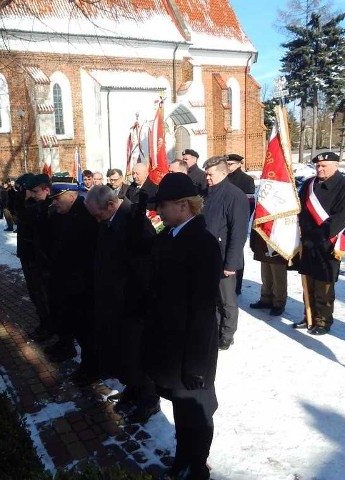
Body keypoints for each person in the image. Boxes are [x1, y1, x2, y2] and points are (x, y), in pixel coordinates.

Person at [141, 173, 222, 480]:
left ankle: (198, 466)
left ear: (184, 206)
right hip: (169, 343)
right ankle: (182, 457)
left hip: (192, 347)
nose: (158, 210)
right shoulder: (167, 237)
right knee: (180, 408)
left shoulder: (202, 243)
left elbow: (203, 309)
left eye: (163, 205)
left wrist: (197, 364)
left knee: (197, 410)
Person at [85, 185, 159, 423]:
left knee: (137, 353)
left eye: (98, 214)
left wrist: (136, 298)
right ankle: (133, 388)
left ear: (110, 205)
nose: (96, 220)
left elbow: (145, 266)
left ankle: (149, 399)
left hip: (132, 302)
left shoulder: (134, 220)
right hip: (115, 301)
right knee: (124, 353)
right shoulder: (110, 220)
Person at [293, 151, 345, 335]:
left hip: (328, 242)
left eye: (324, 166)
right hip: (307, 241)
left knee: (324, 284)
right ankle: (309, 316)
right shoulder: (309, 184)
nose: (319, 169)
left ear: (336, 166)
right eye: (317, 166)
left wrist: (316, 237)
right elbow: (301, 209)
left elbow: (341, 217)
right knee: (309, 282)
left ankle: (322, 320)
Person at [46, 176, 100, 384]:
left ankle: (91, 369)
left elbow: (86, 255)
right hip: (72, 285)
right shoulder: (68, 214)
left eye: (57, 198)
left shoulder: (84, 216)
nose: (54, 202)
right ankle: (87, 366)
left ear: (70, 195)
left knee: (87, 332)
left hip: (83, 287)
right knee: (80, 329)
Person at [202, 156, 250, 350]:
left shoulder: (234, 195)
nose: (207, 178)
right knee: (213, 297)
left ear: (223, 173)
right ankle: (216, 329)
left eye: (210, 174)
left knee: (227, 299)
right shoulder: (209, 193)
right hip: (209, 255)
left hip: (224, 257)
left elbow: (238, 232)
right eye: (206, 174)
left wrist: (231, 263)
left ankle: (227, 335)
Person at [16, 173, 54, 342]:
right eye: (29, 190)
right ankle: (44, 325)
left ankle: (49, 327)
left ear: (46, 190)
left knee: (43, 296)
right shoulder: (33, 205)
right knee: (36, 294)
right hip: (29, 256)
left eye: (34, 191)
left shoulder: (47, 206)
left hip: (40, 259)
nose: (31, 194)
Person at [225, 154, 256, 295]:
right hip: (224, 221)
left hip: (238, 220)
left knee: (236, 253)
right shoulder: (224, 178)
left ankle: (237, 285)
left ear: (239, 164)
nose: (228, 166)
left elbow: (249, 202)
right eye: (227, 164)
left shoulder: (246, 180)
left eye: (230, 164)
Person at [249, 230, 288, 316]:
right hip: (263, 234)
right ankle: (266, 298)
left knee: (278, 274)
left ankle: (279, 303)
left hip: (278, 236)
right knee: (265, 272)